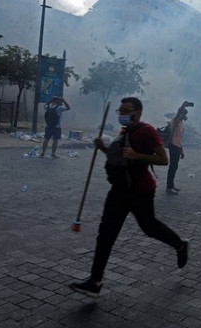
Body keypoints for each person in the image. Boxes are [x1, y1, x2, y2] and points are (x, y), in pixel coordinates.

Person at [69, 97, 188, 298]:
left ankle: (179, 244)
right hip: (118, 189)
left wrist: (137, 156)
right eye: (120, 111)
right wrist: (104, 149)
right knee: (106, 234)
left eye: (126, 111)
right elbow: (120, 158)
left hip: (140, 190)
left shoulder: (147, 131)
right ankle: (95, 280)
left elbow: (163, 159)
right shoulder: (124, 132)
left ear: (138, 112)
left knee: (149, 227)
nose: (122, 115)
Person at [166, 101, 193, 195]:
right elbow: (179, 113)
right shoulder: (175, 120)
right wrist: (184, 104)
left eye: (185, 113)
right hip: (173, 145)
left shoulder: (181, 123)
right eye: (183, 113)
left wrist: (181, 151)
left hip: (177, 146)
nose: (184, 115)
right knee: (172, 166)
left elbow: (179, 138)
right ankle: (169, 187)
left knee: (175, 167)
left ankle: (171, 185)